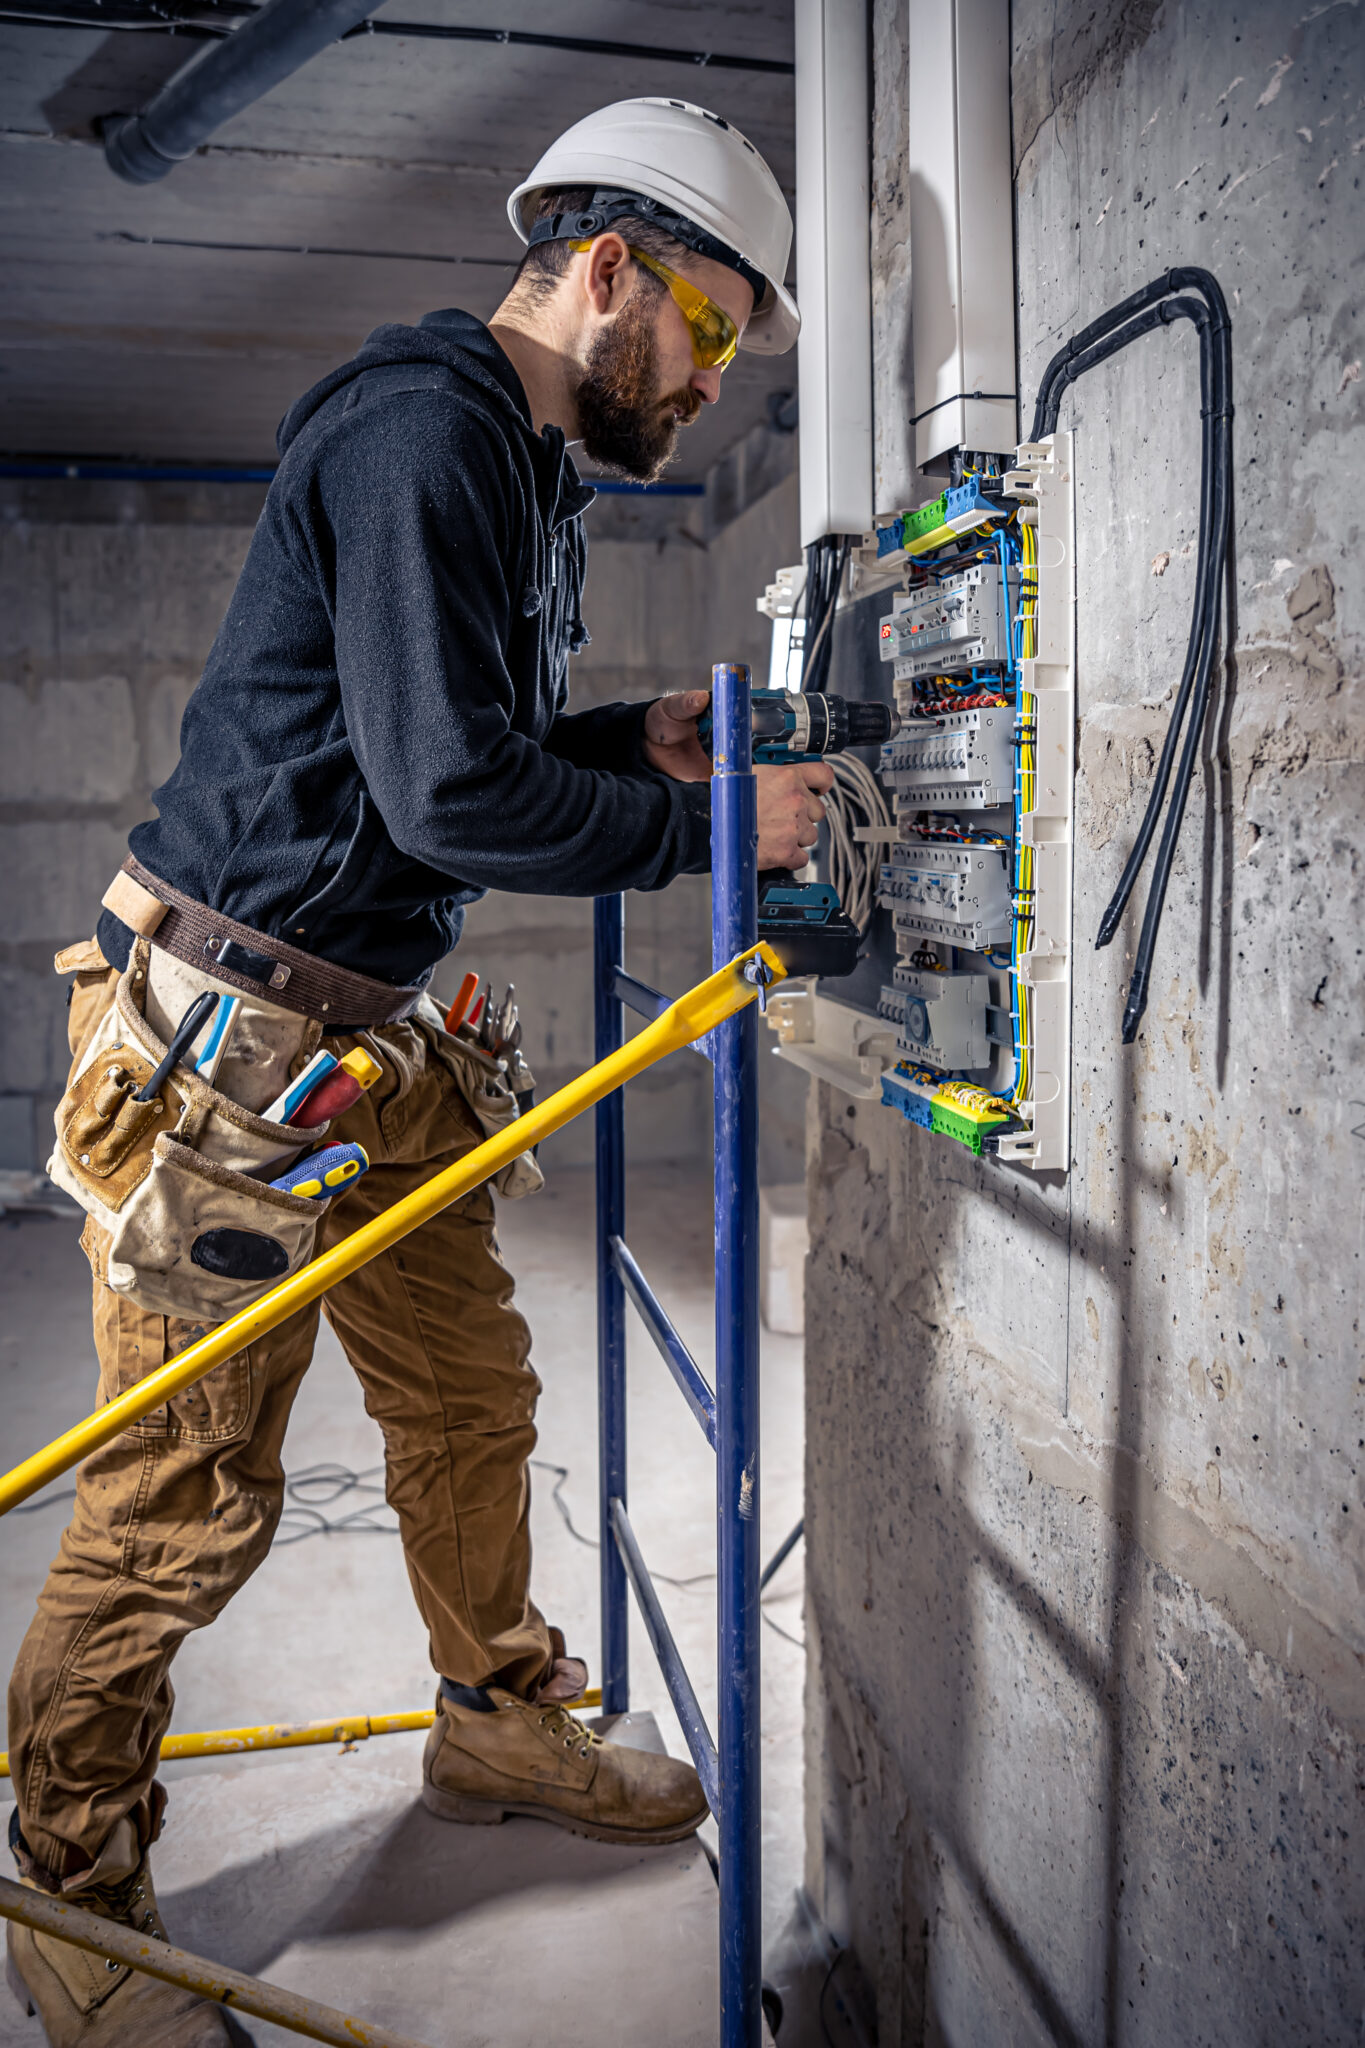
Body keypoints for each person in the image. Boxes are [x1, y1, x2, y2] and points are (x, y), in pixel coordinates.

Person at [6, 96, 831, 2043]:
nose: (706, 388)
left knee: (471, 1393)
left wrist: (639, 740)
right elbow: (450, 789)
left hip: (361, 1035)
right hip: (220, 1045)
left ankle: (493, 1724)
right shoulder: (421, 424)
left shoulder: (523, 464)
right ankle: (76, 1881)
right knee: (186, 1493)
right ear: (606, 269)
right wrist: (727, 839)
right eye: (704, 334)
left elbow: (473, 726)